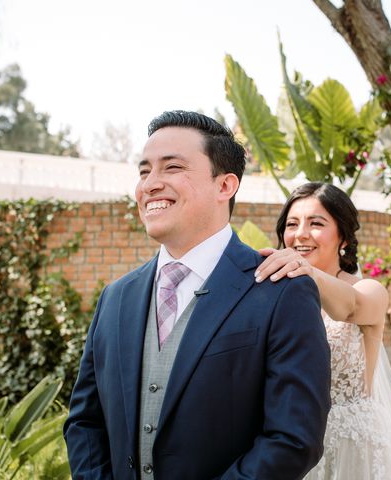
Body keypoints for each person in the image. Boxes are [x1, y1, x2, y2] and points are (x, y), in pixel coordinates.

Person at [64, 111, 331, 479]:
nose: (150, 184)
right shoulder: (115, 298)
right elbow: (84, 422)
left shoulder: (281, 291)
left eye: (172, 168)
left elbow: (293, 439)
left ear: (225, 186)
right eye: (144, 171)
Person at [255, 182, 391, 479]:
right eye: (292, 224)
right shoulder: (274, 296)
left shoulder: (369, 290)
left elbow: (350, 308)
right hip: (288, 443)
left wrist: (307, 271)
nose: (300, 234)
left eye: (316, 223)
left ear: (344, 237)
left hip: (353, 449)